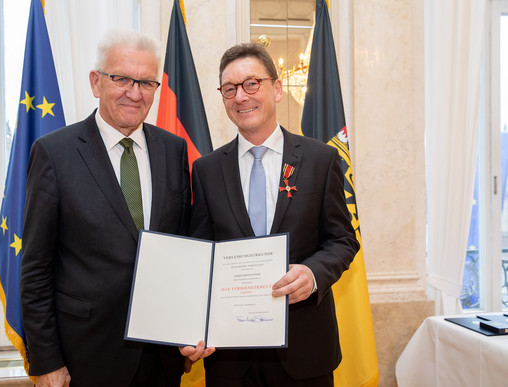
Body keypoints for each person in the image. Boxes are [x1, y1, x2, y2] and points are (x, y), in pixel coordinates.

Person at [20, 29, 210, 387]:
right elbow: (35, 269)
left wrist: (188, 330)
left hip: (162, 354)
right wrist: (46, 361)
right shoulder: (54, 153)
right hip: (85, 356)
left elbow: (184, 251)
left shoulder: (173, 150)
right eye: (121, 78)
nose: (134, 93)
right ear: (96, 82)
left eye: (146, 82)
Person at [189, 43, 359, 386]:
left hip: (305, 351)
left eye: (252, 83)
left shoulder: (320, 160)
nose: (241, 96)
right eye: (229, 88)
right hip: (230, 358)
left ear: (277, 89)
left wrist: (312, 274)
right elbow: (199, 255)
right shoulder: (206, 170)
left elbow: (343, 240)